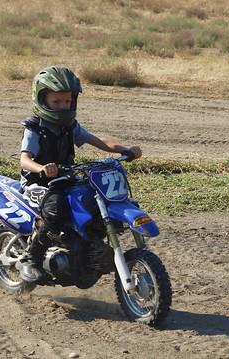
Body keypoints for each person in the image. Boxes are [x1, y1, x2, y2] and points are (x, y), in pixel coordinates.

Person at [18, 66, 142, 282]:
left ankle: (88, 248)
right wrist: (42, 168)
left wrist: (124, 150)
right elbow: (24, 159)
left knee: (91, 202)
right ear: (41, 100)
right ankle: (31, 258)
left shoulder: (70, 127)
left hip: (65, 178)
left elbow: (98, 140)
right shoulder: (34, 128)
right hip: (38, 183)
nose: (63, 106)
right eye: (56, 102)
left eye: (67, 101)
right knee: (56, 211)